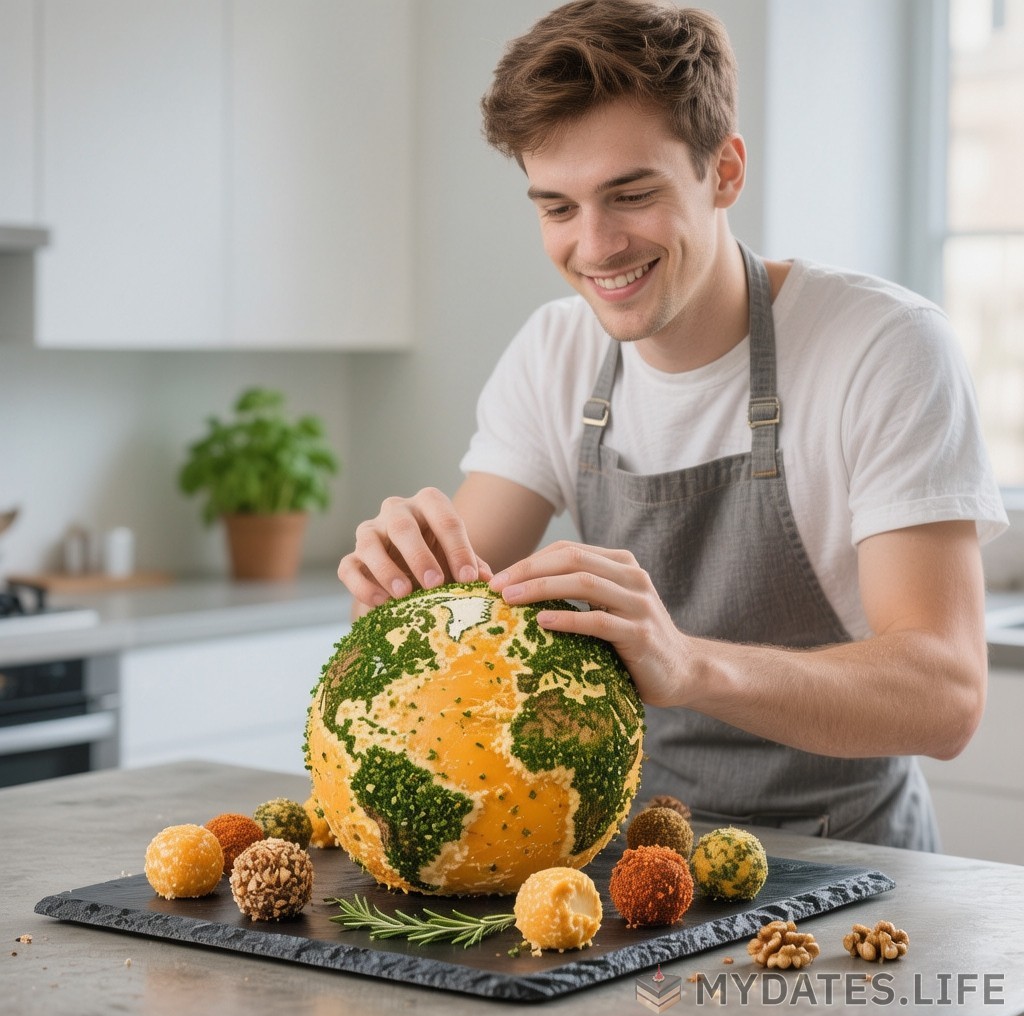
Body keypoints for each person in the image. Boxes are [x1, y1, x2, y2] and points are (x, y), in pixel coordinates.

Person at [338, 1, 1007, 850]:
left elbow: (946, 697)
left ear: (724, 171)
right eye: (557, 208)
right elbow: (453, 608)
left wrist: (686, 664)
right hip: (631, 860)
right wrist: (398, 588)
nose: (596, 246)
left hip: (849, 859)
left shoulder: (883, 346)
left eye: (631, 195)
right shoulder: (554, 352)